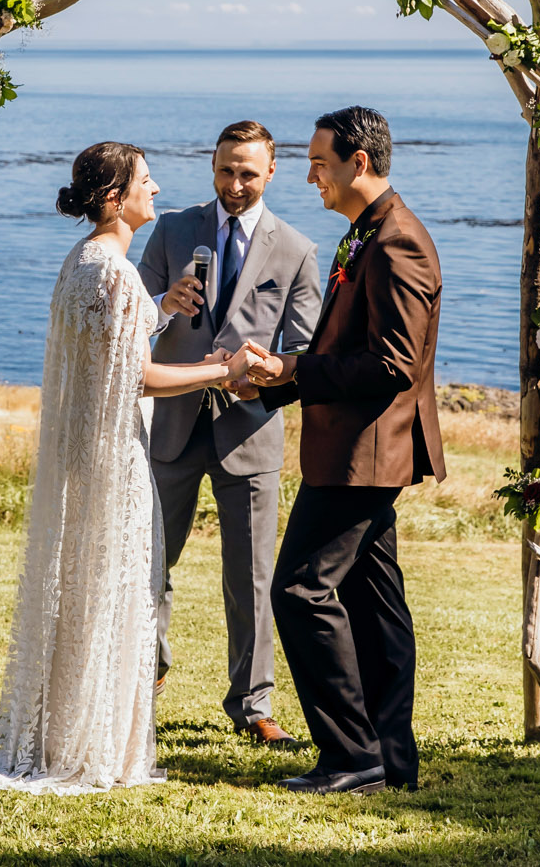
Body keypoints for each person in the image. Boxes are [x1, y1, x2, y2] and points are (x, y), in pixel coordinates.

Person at [0, 142, 266, 795]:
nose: (157, 187)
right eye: (145, 179)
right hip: (114, 454)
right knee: (112, 592)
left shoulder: (85, 260)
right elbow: (136, 376)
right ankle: (91, 745)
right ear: (115, 198)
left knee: (90, 593)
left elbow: (113, 343)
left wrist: (164, 306)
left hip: (87, 452)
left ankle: (76, 732)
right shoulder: (112, 272)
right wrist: (222, 370)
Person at [236, 106, 446, 795]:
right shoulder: (366, 233)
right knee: (372, 600)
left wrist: (293, 372)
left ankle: (352, 756)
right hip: (351, 450)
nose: (308, 175)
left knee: (298, 588)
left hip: (367, 453)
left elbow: (393, 363)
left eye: (319, 161)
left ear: (360, 162)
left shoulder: (396, 242)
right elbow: (349, 348)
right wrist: (286, 373)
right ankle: (388, 758)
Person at [136, 120, 322, 747]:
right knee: (147, 562)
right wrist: (164, 304)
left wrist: (263, 378)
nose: (235, 184)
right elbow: (128, 327)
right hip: (171, 426)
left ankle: (253, 704)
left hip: (249, 430)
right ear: (211, 168)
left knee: (252, 576)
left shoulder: (296, 249)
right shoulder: (172, 230)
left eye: (247, 172)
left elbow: (302, 349)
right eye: (225, 171)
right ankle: (144, 675)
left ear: (271, 172)